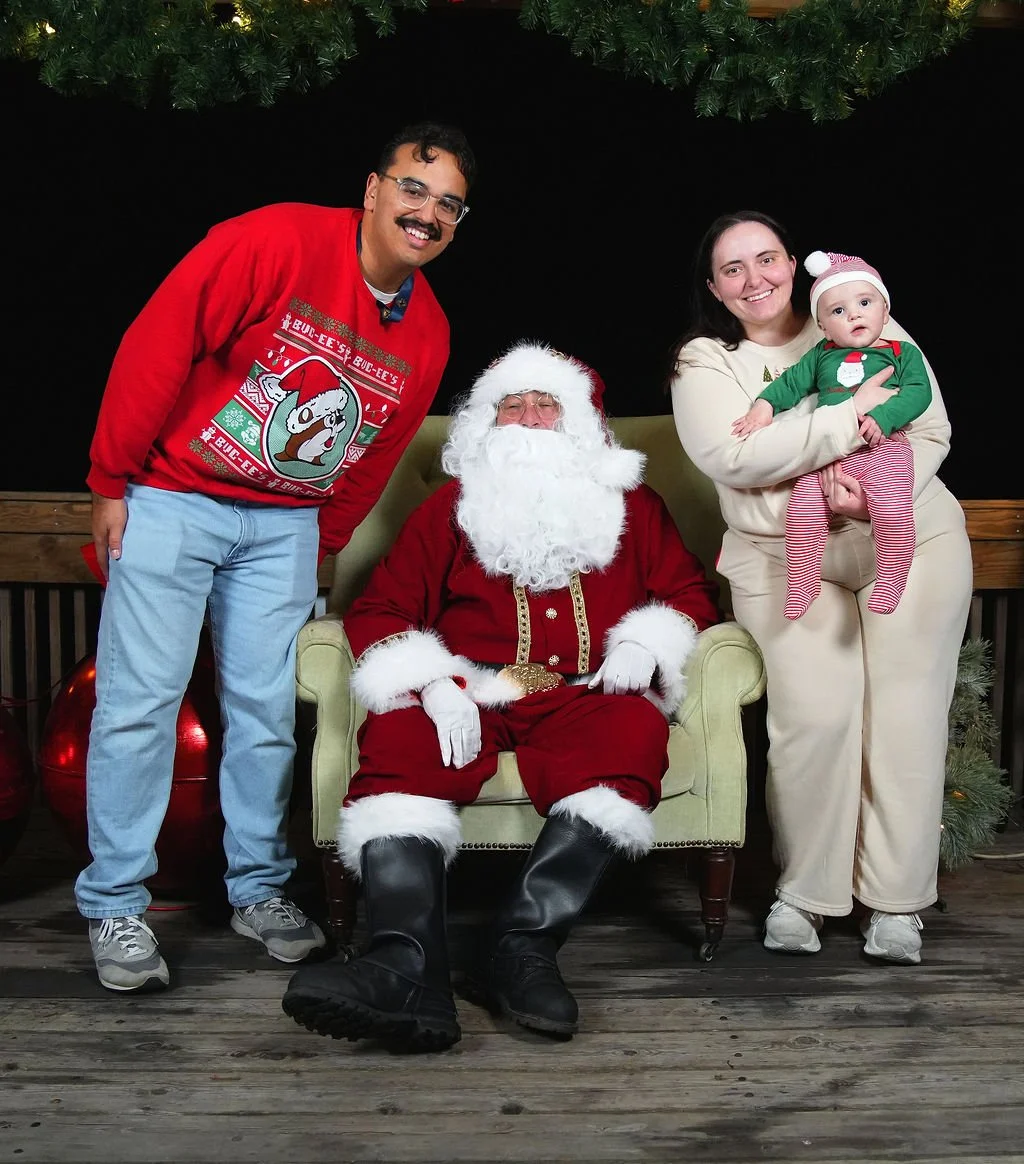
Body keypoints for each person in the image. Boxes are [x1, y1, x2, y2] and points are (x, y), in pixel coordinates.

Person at [79, 122, 477, 993]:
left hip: (284, 525)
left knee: (263, 716)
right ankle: (115, 901)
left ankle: (257, 888)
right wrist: (113, 479)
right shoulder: (275, 238)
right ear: (373, 190)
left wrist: (321, 542)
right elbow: (160, 341)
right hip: (176, 498)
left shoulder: (429, 332)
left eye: (449, 204)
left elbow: (373, 452)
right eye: (414, 189)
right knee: (140, 706)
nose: (428, 213)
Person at [282, 341, 720, 1051]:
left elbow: (688, 593)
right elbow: (383, 609)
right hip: (473, 687)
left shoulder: (634, 507)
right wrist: (432, 681)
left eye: (544, 405)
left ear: (577, 423)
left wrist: (648, 642)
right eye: (508, 406)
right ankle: (406, 968)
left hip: (588, 693)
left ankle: (521, 948)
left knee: (633, 736)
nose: (525, 418)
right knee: (398, 738)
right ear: (485, 425)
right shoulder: (450, 509)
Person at [670, 211, 972, 965]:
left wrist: (872, 497)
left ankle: (896, 903)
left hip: (910, 533)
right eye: (733, 269)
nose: (755, 279)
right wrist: (854, 420)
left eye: (766, 259)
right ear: (714, 287)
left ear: (792, 262)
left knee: (906, 712)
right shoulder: (705, 362)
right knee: (816, 714)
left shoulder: (859, 311)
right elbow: (730, 455)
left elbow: (928, 429)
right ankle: (806, 895)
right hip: (780, 550)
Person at [733, 250, 932, 619]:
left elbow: (919, 392)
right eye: (837, 311)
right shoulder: (822, 355)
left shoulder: (901, 352)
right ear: (823, 326)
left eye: (865, 302)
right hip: (832, 453)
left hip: (884, 448)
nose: (854, 314)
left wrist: (885, 417)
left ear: (885, 313)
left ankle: (892, 575)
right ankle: (803, 582)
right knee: (803, 509)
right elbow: (790, 383)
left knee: (892, 507)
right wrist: (764, 405)